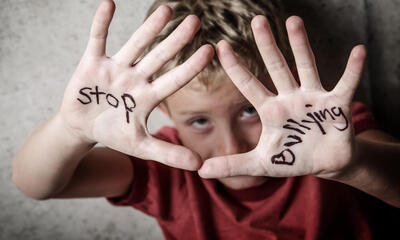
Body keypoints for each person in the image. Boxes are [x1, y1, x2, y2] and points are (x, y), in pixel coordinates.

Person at [12, 0, 400, 239]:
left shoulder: (330, 134)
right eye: (199, 121)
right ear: (163, 112)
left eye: (249, 110)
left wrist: (354, 163)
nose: (231, 146)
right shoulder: (164, 167)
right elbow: (38, 185)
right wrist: (70, 130)